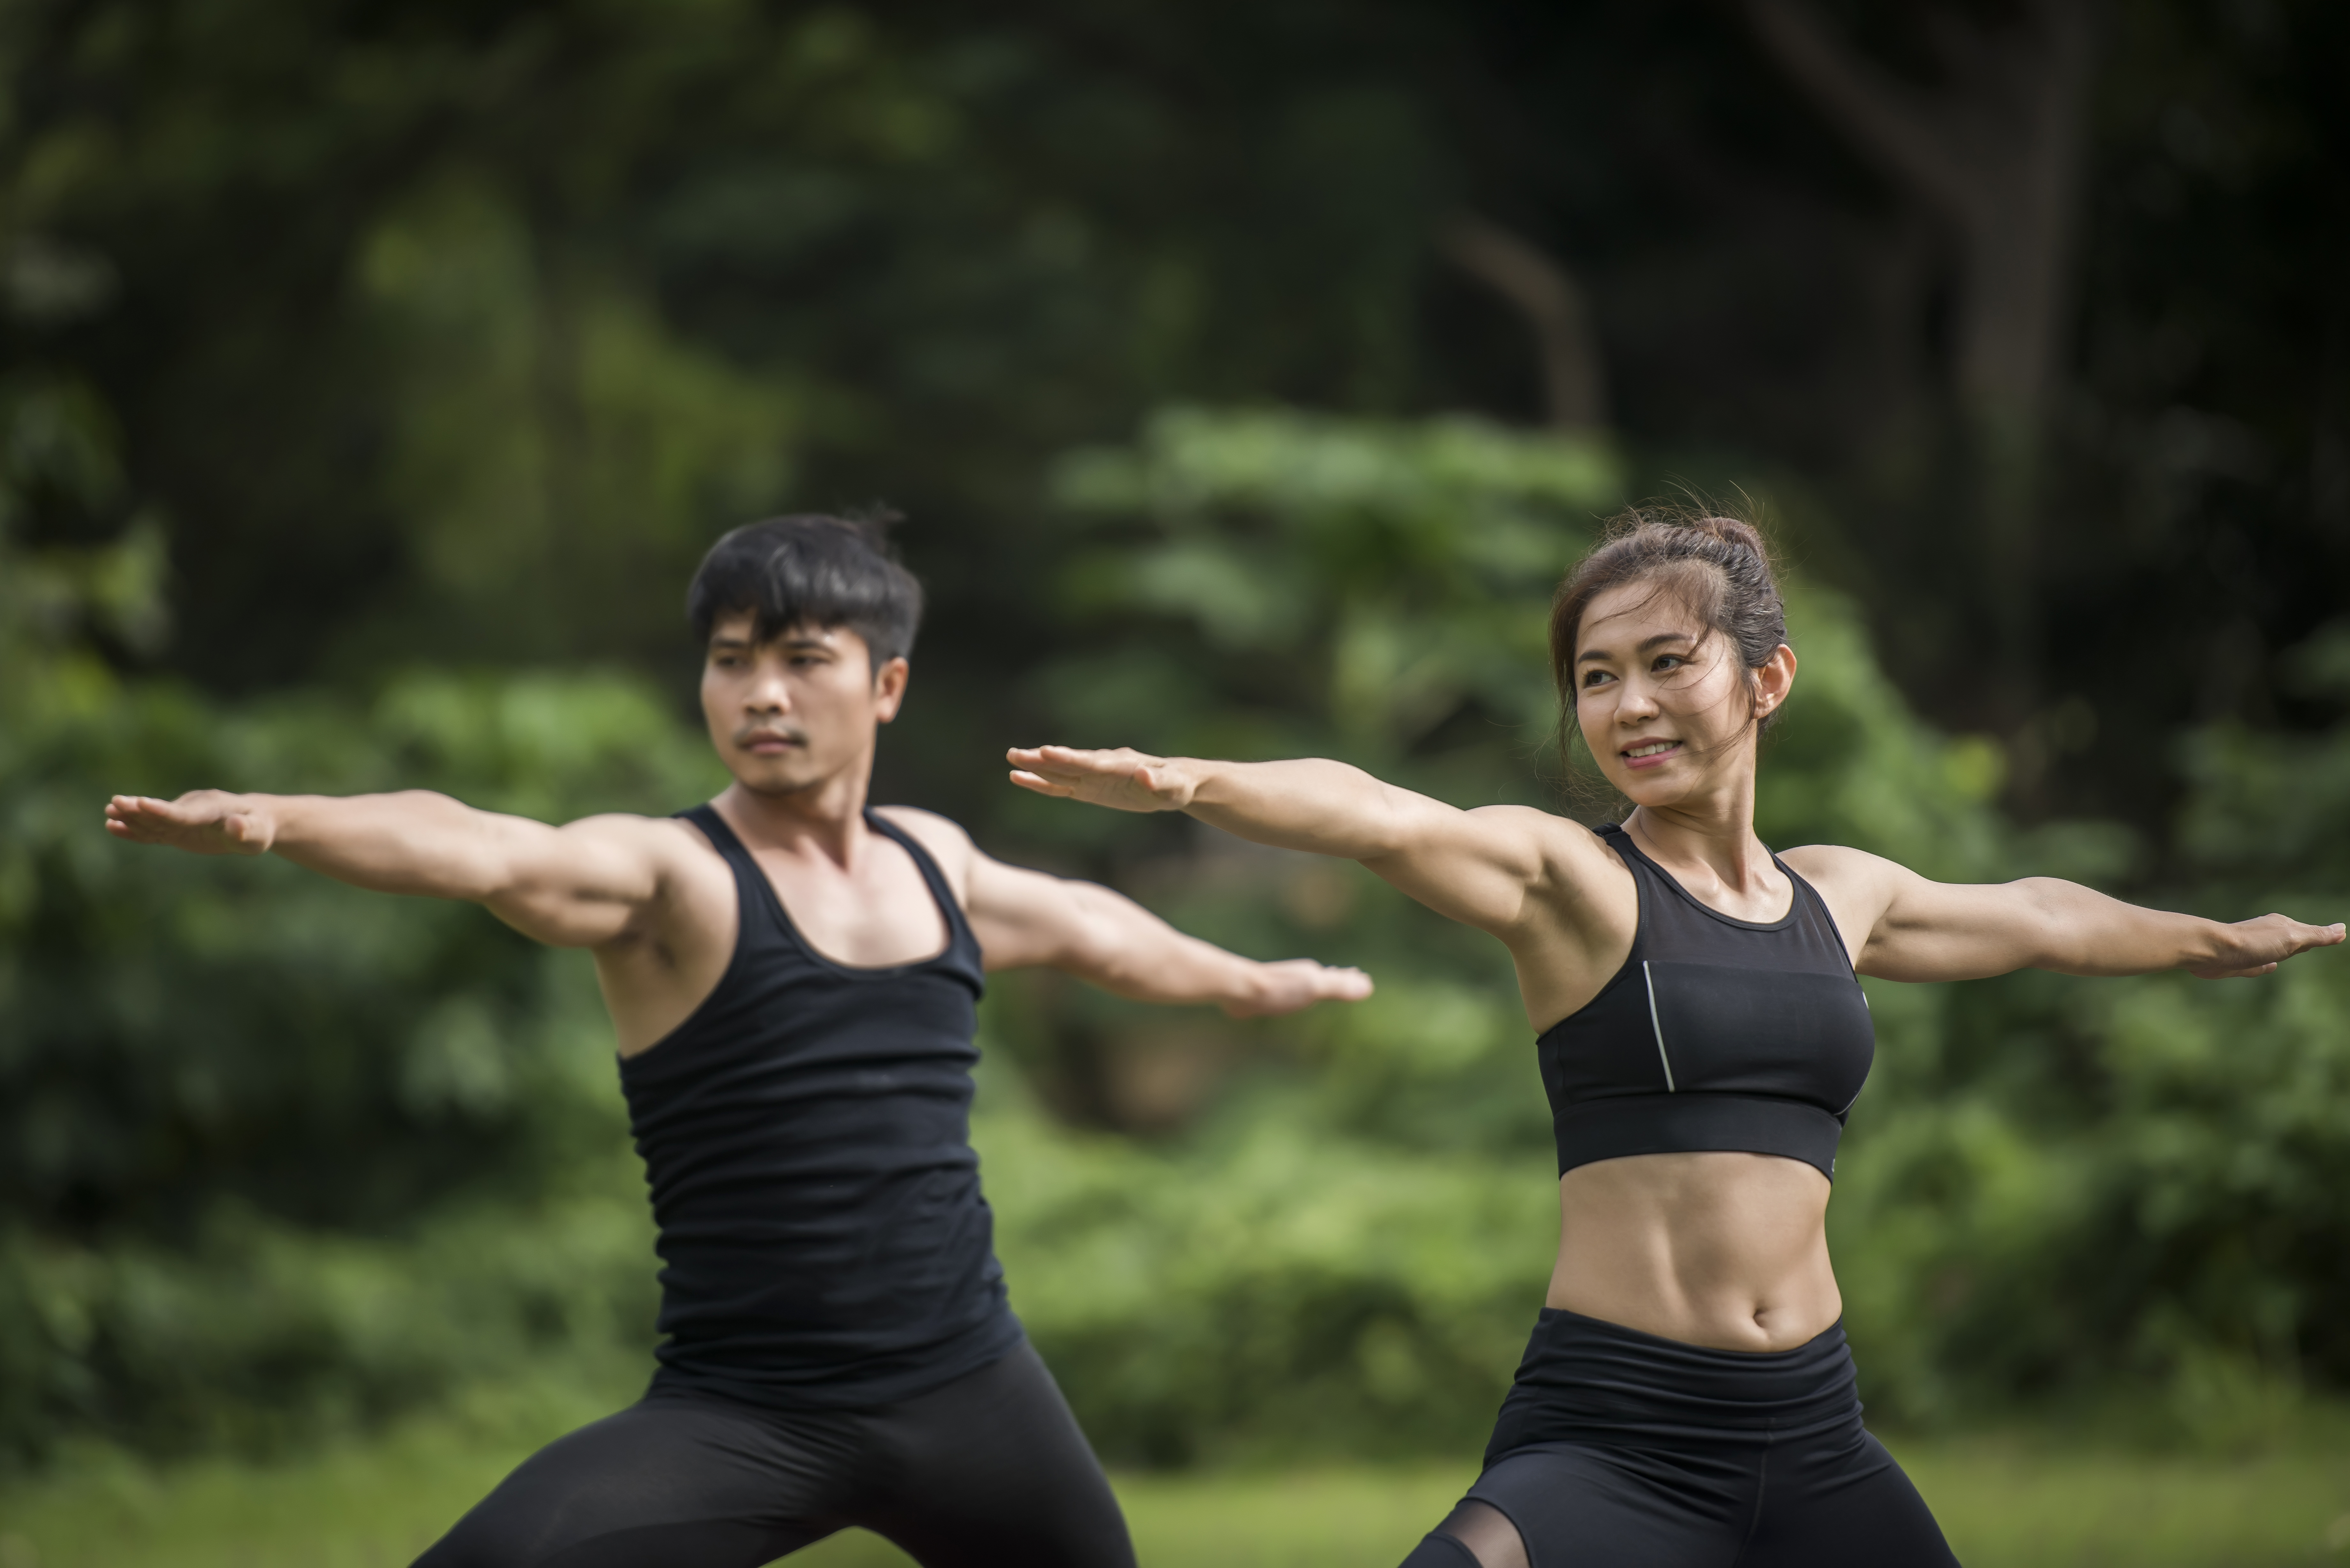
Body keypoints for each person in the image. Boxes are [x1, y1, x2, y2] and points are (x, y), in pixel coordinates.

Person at [1006, 507, 2345, 1568]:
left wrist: (2215, 940)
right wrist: (1191, 782)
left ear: (1765, 680)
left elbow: (2042, 915)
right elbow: (1383, 815)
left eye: (1664, 664)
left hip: (1817, 1432)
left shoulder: (1840, 897)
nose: (1628, 706)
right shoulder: (1578, 889)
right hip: (1618, 1432)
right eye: (1596, 678)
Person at [105, 514, 1371, 1568]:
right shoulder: (672, 877)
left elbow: (1089, 927)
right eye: (728, 659)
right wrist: (279, 817)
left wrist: (1238, 979)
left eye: (800, 657)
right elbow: (485, 842)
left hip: (973, 1388)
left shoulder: (933, 858)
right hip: (745, 1408)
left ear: (885, 684)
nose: (759, 691)